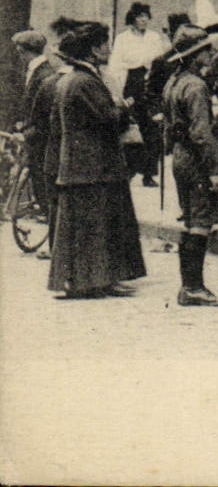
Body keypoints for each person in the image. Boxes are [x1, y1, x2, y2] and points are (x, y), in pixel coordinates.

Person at [47, 21, 146, 299]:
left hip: (80, 165)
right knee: (96, 226)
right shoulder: (86, 82)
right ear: (92, 50)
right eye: (104, 43)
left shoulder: (74, 79)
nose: (108, 48)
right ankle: (93, 281)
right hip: (93, 166)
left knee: (85, 227)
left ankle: (88, 280)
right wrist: (124, 107)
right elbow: (109, 119)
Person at [163, 26, 218, 307]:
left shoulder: (174, 82)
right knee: (200, 221)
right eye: (204, 50)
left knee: (189, 220)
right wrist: (214, 169)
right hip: (197, 160)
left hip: (180, 157)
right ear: (194, 55)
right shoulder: (196, 86)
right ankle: (194, 287)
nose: (210, 54)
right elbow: (202, 133)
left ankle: (188, 286)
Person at [109, 2, 171, 185]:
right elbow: (115, 64)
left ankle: (149, 173)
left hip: (151, 83)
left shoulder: (154, 37)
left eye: (146, 16)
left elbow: (160, 61)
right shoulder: (123, 38)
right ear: (132, 18)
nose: (143, 20)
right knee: (131, 127)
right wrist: (118, 91)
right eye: (139, 16)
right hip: (132, 82)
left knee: (152, 128)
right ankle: (129, 169)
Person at [13, 28, 58, 259]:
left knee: (47, 195)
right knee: (44, 195)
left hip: (43, 144)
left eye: (20, 51)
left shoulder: (45, 75)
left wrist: (27, 133)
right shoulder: (36, 70)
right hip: (36, 141)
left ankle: (56, 247)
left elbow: (45, 117)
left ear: (25, 51)